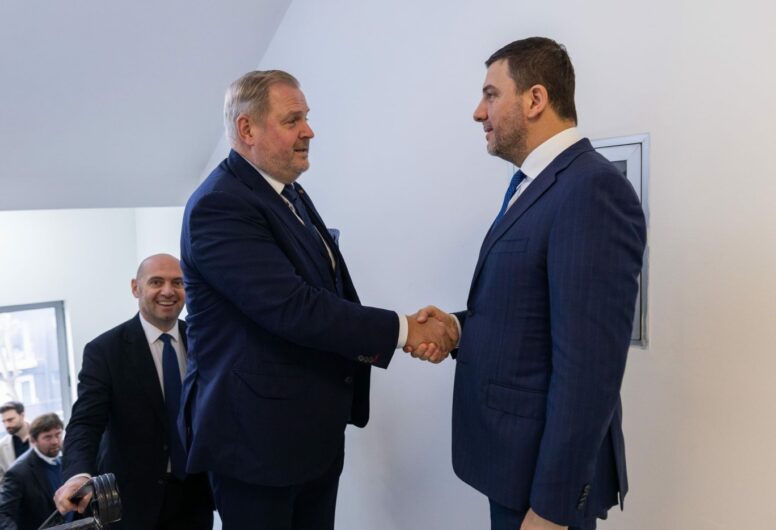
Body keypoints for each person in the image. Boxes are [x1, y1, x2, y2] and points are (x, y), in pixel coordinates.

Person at [180, 70, 455, 529]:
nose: (309, 131)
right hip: (256, 446)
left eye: (306, 118)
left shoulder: (287, 191)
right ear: (247, 129)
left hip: (309, 437)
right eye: (293, 120)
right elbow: (294, 307)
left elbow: (330, 289)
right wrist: (405, 330)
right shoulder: (219, 205)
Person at [415, 37, 646, 529]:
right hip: (513, 468)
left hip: (543, 488)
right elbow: (531, 313)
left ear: (535, 99)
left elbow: (589, 370)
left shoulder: (591, 189)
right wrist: (458, 328)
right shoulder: (535, 184)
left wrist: (551, 509)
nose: (478, 112)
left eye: (491, 94)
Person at [52, 254, 213, 529]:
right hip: (132, 504)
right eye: (156, 282)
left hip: (196, 496)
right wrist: (78, 474)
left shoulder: (204, 341)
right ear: (136, 288)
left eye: (178, 282)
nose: (168, 291)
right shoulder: (105, 351)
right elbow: (86, 422)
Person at [0, 413, 64, 530]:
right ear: (33, 440)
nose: (55, 441)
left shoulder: (69, 458)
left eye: (58, 434)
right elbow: (3, 514)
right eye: (48, 437)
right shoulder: (18, 472)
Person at [0, 402, 31, 488]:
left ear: (22, 415)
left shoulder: (41, 436)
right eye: (4, 421)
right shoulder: (2, 446)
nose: (7, 425)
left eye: (10, 420)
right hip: (16, 494)